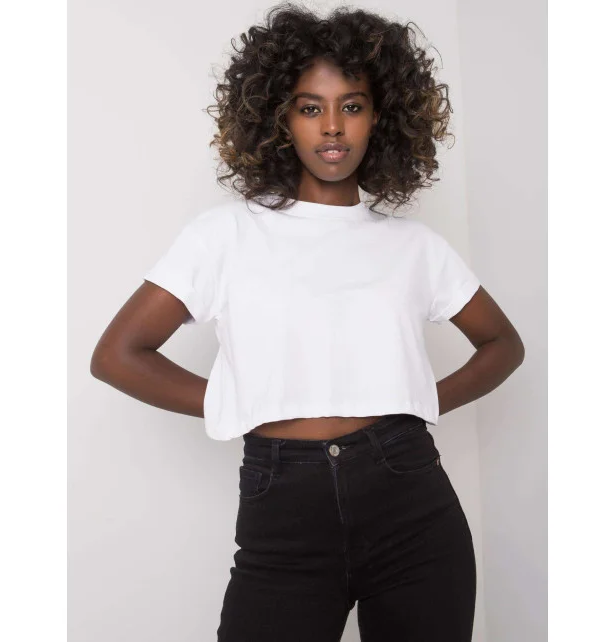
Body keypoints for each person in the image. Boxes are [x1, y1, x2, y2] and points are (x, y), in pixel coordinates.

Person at [90, 3, 525, 640]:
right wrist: (231, 400)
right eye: (309, 107)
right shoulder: (225, 235)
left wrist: (423, 399)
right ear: (279, 118)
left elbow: (502, 343)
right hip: (283, 507)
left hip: (412, 507)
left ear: (381, 117)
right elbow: (117, 355)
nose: (332, 126)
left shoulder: (414, 247)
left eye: (352, 105)